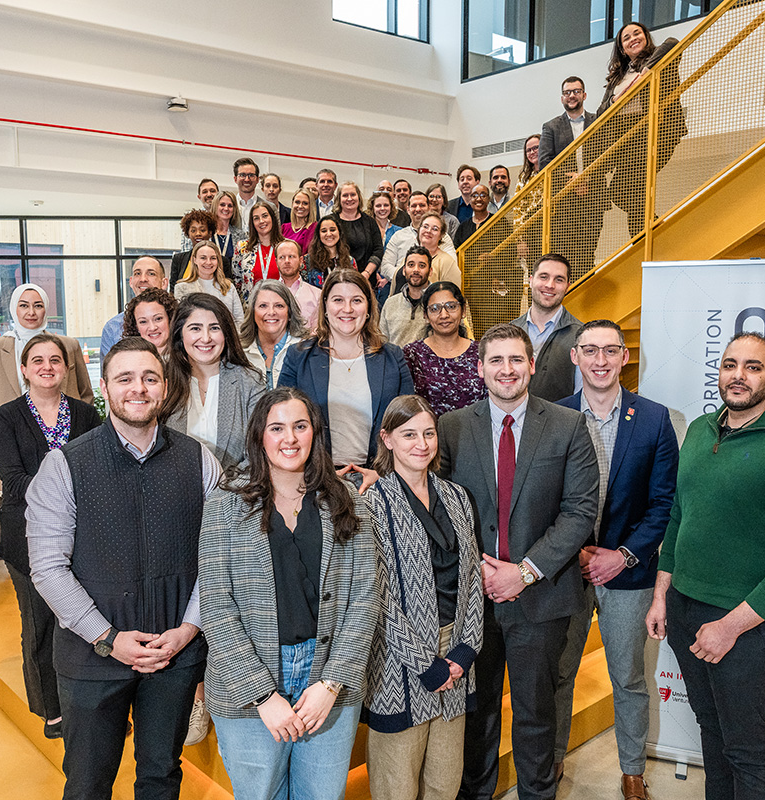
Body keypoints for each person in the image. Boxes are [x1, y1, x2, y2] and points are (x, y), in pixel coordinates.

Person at [26, 335, 220, 800]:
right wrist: (108, 639)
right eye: (125, 378)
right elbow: (48, 569)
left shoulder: (199, 461)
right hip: (91, 658)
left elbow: (218, 559)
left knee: (160, 776)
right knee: (88, 783)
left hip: (173, 655)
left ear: (165, 386)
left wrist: (189, 629)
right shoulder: (64, 466)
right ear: (105, 388)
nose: (139, 388)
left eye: (150, 378)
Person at [645, 333, 765, 800]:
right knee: (712, 732)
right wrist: (660, 594)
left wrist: (729, 627)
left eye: (752, 367)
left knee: (747, 746)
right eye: (730, 364)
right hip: (686, 609)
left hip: (752, 624)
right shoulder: (699, 431)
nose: (738, 375)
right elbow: (678, 516)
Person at [436, 323, 600, 800]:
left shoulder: (569, 425)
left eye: (515, 360)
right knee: (477, 713)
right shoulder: (452, 427)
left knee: (534, 714)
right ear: (480, 367)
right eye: (495, 360)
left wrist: (523, 572)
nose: (506, 370)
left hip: (542, 598)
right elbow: (439, 508)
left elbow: (580, 510)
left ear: (531, 365)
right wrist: (480, 569)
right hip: (474, 599)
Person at [199, 386, 378, 800]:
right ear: (259, 436)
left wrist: (330, 684)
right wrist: (262, 695)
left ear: (315, 433)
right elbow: (216, 606)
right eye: (276, 428)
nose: (290, 438)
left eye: (300, 426)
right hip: (249, 682)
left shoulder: (346, 500)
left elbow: (365, 598)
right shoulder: (223, 505)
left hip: (328, 677)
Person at [552, 320, 679, 798]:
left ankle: (631, 772)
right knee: (559, 674)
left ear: (625, 357)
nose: (600, 360)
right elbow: (544, 499)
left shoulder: (653, 419)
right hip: (566, 570)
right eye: (590, 350)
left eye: (610, 351)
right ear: (575, 357)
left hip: (629, 573)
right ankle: (554, 763)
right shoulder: (554, 415)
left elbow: (664, 502)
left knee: (627, 676)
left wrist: (623, 556)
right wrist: (574, 548)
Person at [364, 394, 484, 800]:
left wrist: (466, 649)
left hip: (455, 657)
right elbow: (377, 598)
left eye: (429, 433)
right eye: (409, 434)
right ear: (388, 439)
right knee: (395, 785)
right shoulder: (371, 503)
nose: (422, 443)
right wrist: (424, 664)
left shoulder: (457, 497)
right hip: (400, 663)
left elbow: (472, 578)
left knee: (444, 781)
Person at [0, 332, 103, 741]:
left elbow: (102, 470)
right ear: (24, 370)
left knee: (84, 623)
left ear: (66, 368)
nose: (47, 367)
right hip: (28, 539)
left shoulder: (87, 415)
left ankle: (91, 704)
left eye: (55, 360)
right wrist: (68, 488)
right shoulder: (5, 418)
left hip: (84, 538)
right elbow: (14, 482)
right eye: (37, 361)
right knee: (40, 627)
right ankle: (51, 708)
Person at [278, 268, 414, 471]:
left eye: (357, 300)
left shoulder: (393, 357)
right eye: (338, 300)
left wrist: (380, 476)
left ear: (368, 307)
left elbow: (409, 426)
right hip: (317, 478)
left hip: (378, 477)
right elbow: (281, 423)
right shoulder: (298, 357)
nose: (347, 309)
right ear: (325, 306)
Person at [0, 282, 93, 462]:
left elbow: (86, 393)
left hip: (66, 439)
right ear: (14, 309)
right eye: (24, 305)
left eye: (38, 305)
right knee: (18, 487)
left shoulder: (69, 345)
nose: (31, 312)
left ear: (46, 309)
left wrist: (82, 432)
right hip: (12, 439)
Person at [593, 22, 688, 237]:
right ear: (621, 47)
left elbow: (673, 43)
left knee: (623, 190)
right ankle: (647, 236)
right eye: (626, 38)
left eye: (637, 33)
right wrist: (616, 99)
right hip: (628, 138)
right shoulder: (618, 76)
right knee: (630, 192)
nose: (632, 39)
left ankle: (647, 235)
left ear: (645, 36)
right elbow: (601, 111)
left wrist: (647, 71)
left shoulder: (659, 59)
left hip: (656, 132)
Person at [163, 293, 264, 471]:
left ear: (226, 333)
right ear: (180, 334)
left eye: (215, 328)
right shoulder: (163, 381)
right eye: (195, 328)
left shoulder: (249, 382)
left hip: (234, 492)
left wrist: (223, 493)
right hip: (173, 492)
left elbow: (257, 455)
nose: (206, 338)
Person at [539, 76, 610, 280]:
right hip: (564, 202)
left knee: (588, 254)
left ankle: (587, 305)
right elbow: (545, 164)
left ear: (584, 95)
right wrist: (572, 181)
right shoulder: (550, 127)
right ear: (562, 98)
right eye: (567, 92)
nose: (572, 95)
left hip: (594, 197)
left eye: (576, 91)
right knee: (567, 255)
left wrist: (586, 177)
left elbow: (608, 155)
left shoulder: (598, 121)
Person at [403, 281, 487, 418]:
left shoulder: (481, 352)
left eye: (451, 307)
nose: (444, 315)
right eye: (435, 309)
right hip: (429, 436)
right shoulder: (412, 354)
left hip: (475, 435)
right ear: (425, 315)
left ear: (463, 310)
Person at [510, 254, 583, 402]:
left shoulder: (581, 336)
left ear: (568, 286)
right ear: (531, 281)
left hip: (559, 423)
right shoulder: (510, 331)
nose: (550, 285)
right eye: (543, 277)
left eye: (559, 279)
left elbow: (582, 398)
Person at [381, 191, 456, 294]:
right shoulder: (398, 236)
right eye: (414, 206)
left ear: (429, 207)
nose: (418, 209)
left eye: (422, 205)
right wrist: (409, 275)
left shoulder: (444, 238)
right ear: (408, 209)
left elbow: (451, 265)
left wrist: (417, 276)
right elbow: (385, 266)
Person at [240, 279, 310, 390]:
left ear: (290, 313)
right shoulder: (239, 353)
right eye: (263, 306)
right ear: (252, 313)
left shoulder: (306, 350)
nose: (271, 312)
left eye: (279, 306)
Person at [100, 256, 167, 361]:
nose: (143, 279)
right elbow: (108, 374)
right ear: (131, 282)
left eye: (151, 273)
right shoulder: (113, 328)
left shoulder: (180, 320)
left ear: (164, 283)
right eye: (137, 273)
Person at [174, 240, 246, 324]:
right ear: (195, 260)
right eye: (203, 258)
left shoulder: (228, 287)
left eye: (213, 258)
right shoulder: (181, 288)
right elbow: (180, 323)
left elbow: (239, 321)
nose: (208, 262)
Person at [333, 181, 384, 289]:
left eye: (353, 194)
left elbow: (378, 250)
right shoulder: (331, 221)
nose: (349, 198)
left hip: (366, 280)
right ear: (339, 199)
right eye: (345, 195)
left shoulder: (370, 222)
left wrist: (366, 273)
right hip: (338, 280)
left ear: (359, 197)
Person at [379, 247, 432, 348]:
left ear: (430, 271)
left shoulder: (439, 304)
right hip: (396, 362)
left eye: (422, 266)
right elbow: (382, 343)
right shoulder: (390, 304)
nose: (416, 270)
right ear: (404, 270)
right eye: (411, 265)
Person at [233, 201, 286, 298]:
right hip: (252, 306)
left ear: (273, 218)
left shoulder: (286, 246)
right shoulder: (242, 247)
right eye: (256, 218)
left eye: (265, 216)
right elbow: (237, 279)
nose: (261, 221)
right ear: (252, 223)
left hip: (280, 304)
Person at [123, 286, 179, 360]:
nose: (152, 328)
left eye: (158, 319)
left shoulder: (190, 358)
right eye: (143, 322)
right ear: (136, 327)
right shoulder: (128, 361)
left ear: (171, 318)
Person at [276, 239, 322, 327]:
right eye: (282, 257)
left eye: (291, 256)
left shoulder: (317, 295)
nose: (287, 261)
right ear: (276, 262)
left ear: (301, 261)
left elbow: (318, 332)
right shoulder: (268, 295)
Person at [452, 184, 512, 249]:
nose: (478, 199)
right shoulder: (463, 227)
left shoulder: (499, 222)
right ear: (470, 199)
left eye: (483, 195)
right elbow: (456, 250)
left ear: (488, 199)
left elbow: (510, 248)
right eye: (475, 196)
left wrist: (492, 256)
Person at [303, 216, 357, 289]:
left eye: (332, 230)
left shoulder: (350, 261)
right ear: (318, 235)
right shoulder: (307, 261)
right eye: (324, 231)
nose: (328, 234)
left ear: (339, 232)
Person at [170, 209, 216, 293]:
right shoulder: (178, 259)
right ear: (188, 233)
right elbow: (173, 290)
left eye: (202, 230)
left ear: (210, 233)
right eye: (193, 230)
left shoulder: (222, 261)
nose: (198, 234)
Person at [418, 214, 462, 288]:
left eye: (435, 229)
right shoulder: (410, 256)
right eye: (425, 226)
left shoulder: (447, 262)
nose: (428, 231)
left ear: (441, 235)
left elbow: (452, 294)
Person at [211, 190, 248, 266]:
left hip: (232, 277)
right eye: (222, 205)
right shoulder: (207, 233)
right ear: (215, 206)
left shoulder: (241, 235)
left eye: (230, 206)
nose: (226, 208)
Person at [281, 187, 318, 254]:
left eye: (305, 203)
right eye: (297, 202)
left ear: (311, 206)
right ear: (292, 204)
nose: (300, 206)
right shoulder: (284, 228)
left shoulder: (315, 228)